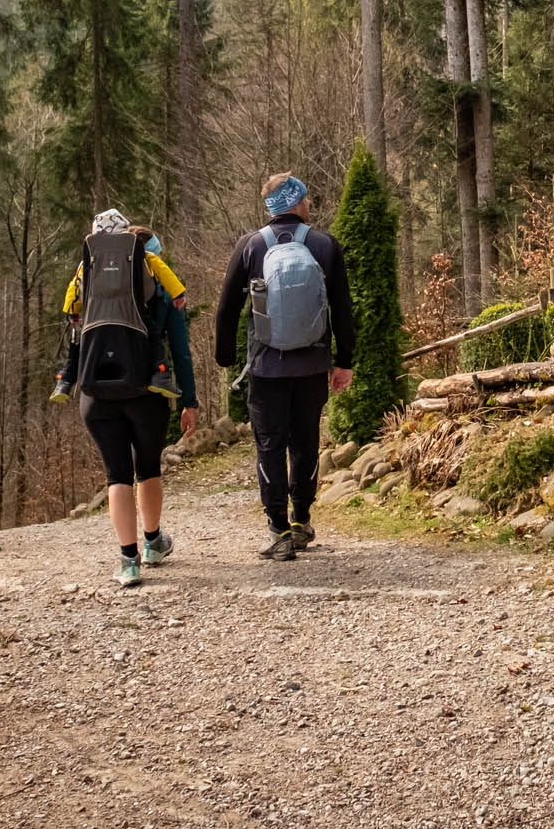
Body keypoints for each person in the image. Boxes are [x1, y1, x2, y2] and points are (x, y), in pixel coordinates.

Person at [214, 173, 355, 561]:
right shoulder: (325, 246)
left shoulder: (251, 245)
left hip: (266, 367)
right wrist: (344, 362)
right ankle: (302, 520)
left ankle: (277, 527)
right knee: (305, 443)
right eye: (306, 198)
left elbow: (227, 309)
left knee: (270, 446)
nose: (309, 204)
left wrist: (225, 356)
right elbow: (342, 308)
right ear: (297, 202)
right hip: (311, 365)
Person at [64, 210, 199, 586]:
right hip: (146, 389)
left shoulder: (86, 279)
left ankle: (128, 561)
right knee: (148, 467)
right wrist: (189, 400)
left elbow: (73, 331)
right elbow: (181, 350)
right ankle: (154, 542)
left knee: (116, 475)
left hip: (95, 391)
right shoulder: (155, 285)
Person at [51, 209, 187, 403]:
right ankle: (160, 374)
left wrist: (71, 313)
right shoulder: (140, 254)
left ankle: (65, 378)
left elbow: (74, 286)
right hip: (132, 315)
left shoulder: (88, 262)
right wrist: (178, 293)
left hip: (95, 318)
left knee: (76, 339)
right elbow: (162, 270)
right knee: (154, 334)